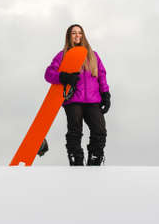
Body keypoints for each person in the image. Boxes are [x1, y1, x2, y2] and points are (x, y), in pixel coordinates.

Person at [44, 24, 111, 166]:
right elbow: (48, 74)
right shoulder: (63, 55)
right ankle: (76, 159)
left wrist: (106, 94)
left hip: (93, 100)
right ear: (69, 36)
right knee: (75, 130)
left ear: (83, 35)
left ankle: (95, 159)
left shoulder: (93, 55)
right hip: (73, 99)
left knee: (99, 130)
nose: (77, 36)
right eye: (74, 33)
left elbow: (102, 75)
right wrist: (64, 77)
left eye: (80, 33)